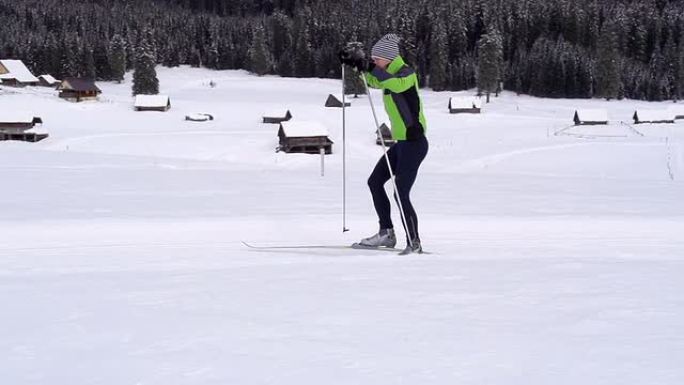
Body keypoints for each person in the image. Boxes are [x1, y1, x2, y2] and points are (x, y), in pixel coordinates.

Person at [339, 33, 428, 255]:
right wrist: (356, 65)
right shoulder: (386, 73)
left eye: (377, 59)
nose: (375, 62)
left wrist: (367, 64)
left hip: (415, 143)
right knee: (375, 181)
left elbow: (393, 84)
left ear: (388, 58)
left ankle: (414, 241)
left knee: (400, 192)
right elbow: (373, 80)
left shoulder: (406, 73)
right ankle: (387, 233)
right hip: (401, 144)